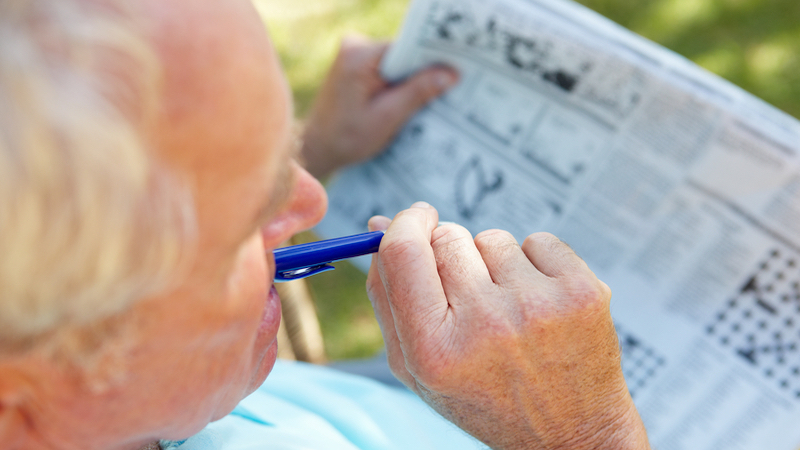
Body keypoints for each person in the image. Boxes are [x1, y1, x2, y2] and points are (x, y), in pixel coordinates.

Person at [0, 0, 651, 449]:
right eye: (246, 221)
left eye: (280, 151)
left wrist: (318, 144)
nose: (309, 203)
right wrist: (588, 431)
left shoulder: (137, 393)